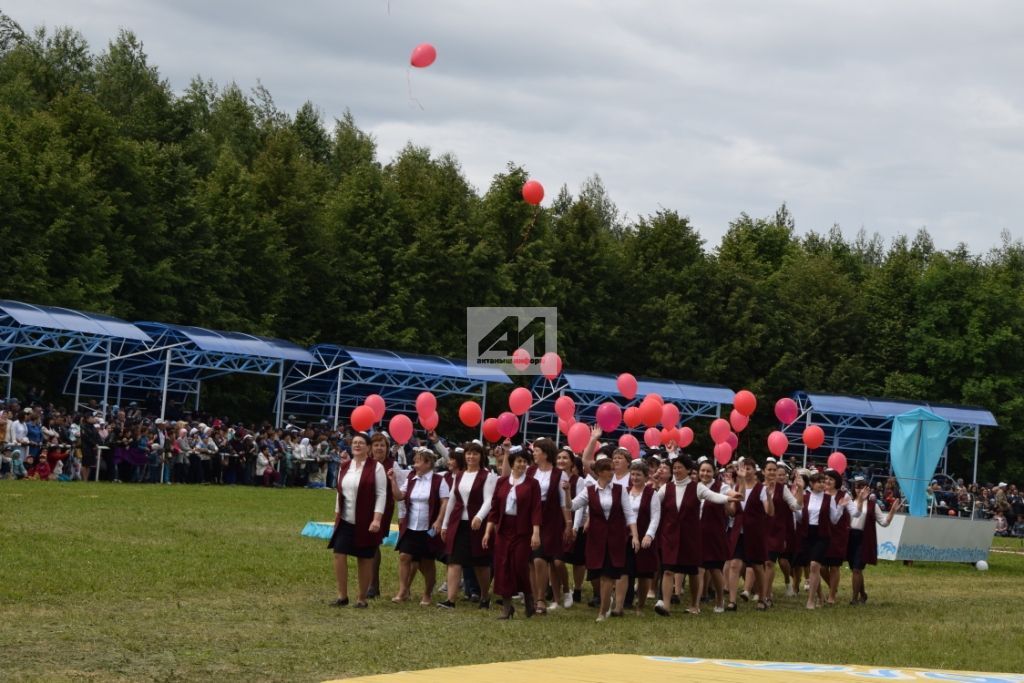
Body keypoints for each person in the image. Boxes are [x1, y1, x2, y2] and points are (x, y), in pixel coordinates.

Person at [657, 454, 740, 616]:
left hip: (691, 537)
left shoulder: (697, 487)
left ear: (688, 470)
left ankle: (695, 604)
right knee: (668, 570)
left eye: (680, 467)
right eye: (674, 468)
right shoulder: (666, 488)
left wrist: (730, 498)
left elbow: (713, 496)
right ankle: (665, 605)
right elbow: (653, 502)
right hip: (670, 536)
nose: (676, 470)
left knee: (694, 571)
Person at [565, 457, 639, 622]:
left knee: (608, 575)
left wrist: (634, 535)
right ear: (600, 472)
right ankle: (606, 600)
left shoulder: (620, 490)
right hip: (595, 539)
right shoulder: (589, 490)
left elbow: (629, 514)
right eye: (609, 470)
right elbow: (571, 506)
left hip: (615, 538)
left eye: (614, 469)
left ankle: (602, 611)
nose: (613, 472)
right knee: (596, 575)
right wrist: (566, 492)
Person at [327, 432, 386, 609]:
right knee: (339, 553)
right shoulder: (344, 467)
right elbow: (340, 492)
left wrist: (377, 519)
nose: (357, 445)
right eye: (354, 443)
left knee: (364, 558)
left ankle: (361, 598)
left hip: (366, 519)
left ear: (368, 448)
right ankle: (342, 596)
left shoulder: (376, 467)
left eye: (361, 443)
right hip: (345, 519)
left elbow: (381, 494)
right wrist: (337, 515)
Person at [483, 446, 542, 620]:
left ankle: (529, 597)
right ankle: (507, 607)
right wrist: (488, 532)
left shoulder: (532, 484)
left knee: (519, 565)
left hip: (522, 529)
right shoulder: (502, 482)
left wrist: (536, 532)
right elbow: (494, 509)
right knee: (502, 566)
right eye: (519, 461)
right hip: (503, 529)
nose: (522, 465)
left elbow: (536, 509)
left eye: (524, 461)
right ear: (512, 463)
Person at [439, 442, 497, 610]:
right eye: (468, 453)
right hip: (458, 524)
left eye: (475, 454)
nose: (471, 457)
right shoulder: (459, 475)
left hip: (477, 525)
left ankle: (485, 596)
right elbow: (452, 500)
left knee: (480, 563)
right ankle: (450, 600)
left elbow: (489, 500)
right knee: (453, 561)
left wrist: (479, 516)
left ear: (481, 456)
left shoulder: (487, 476)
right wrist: (445, 524)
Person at [390, 447, 449, 606]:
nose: (414, 464)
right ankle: (403, 591)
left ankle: (427, 593)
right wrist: (393, 481)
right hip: (411, 526)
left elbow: (445, 501)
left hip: (428, 528)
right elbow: (399, 496)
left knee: (426, 562)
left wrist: (439, 521)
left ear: (428, 463)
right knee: (404, 557)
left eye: (418, 461)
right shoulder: (411, 478)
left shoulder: (438, 480)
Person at [525, 438, 572, 615]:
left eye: (536, 450)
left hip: (550, 519)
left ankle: (541, 599)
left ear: (545, 453)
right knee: (530, 560)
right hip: (530, 517)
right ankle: (532, 596)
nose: (534, 453)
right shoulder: (530, 471)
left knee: (540, 558)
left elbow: (563, 502)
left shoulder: (560, 474)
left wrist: (568, 523)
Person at [726, 457, 776, 611]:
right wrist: (726, 502)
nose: (745, 471)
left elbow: (769, 512)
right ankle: (732, 601)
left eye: (749, 468)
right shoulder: (736, 486)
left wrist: (768, 496)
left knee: (757, 566)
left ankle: (762, 597)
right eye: (743, 468)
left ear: (755, 471)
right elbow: (733, 511)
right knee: (734, 564)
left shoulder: (761, 489)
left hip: (755, 533)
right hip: (738, 532)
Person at [849, 475, 900, 604]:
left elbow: (884, 522)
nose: (860, 490)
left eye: (863, 488)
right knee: (855, 569)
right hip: (850, 538)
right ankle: (863, 594)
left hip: (864, 538)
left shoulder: (873, 505)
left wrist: (892, 511)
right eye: (857, 487)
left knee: (857, 569)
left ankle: (854, 599)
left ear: (868, 490)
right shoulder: (850, 503)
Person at [762, 458, 803, 606]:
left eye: (775, 470)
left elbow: (796, 506)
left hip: (777, 531)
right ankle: (762, 592)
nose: (772, 473)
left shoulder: (782, 489)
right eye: (770, 470)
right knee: (760, 564)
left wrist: (800, 490)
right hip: (760, 531)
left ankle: (766, 596)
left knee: (769, 563)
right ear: (763, 472)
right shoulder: (758, 487)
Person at [697, 459, 734, 613]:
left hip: (715, 533)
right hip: (697, 532)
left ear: (714, 473)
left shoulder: (722, 487)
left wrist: (733, 495)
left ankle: (720, 599)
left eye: (708, 471)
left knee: (714, 569)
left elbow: (731, 509)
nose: (705, 474)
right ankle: (695, 603)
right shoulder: (695, 486)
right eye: (702, 471)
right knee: (697, 569)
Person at [625, 458, 660, 614]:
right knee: (627, 570)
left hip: (644, 536)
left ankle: (640, 605)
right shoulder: (624, 492)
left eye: (638, 475)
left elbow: (655, 516)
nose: (635, 478)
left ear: (646, 477)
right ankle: (625, 602)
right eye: (632, 474)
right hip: (626, 536)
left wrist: (649, 536)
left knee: (644, 572)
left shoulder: (652, 494)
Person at [823, 469, 860, 605]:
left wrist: (860, 501)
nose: (827, 482)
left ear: (836, 482)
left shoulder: (844, 496)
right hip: (822, 532)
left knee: (834, 566)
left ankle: (832, 595)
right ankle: (833, 587)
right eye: (826, 479)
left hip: (838, 535)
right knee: (820, 567)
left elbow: (855, 513)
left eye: (831, 479)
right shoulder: (820, 494)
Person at [368, 432, 397, 599]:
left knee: (374, 543)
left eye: (382, 445)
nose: (379, 448)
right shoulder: (367, 464)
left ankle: (374, 585)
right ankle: (370, 583)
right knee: (367, 543)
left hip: (384, 508)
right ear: (371, 448)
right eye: (376, 445)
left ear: (387, 448)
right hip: (365, 508)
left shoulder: (392, 465)